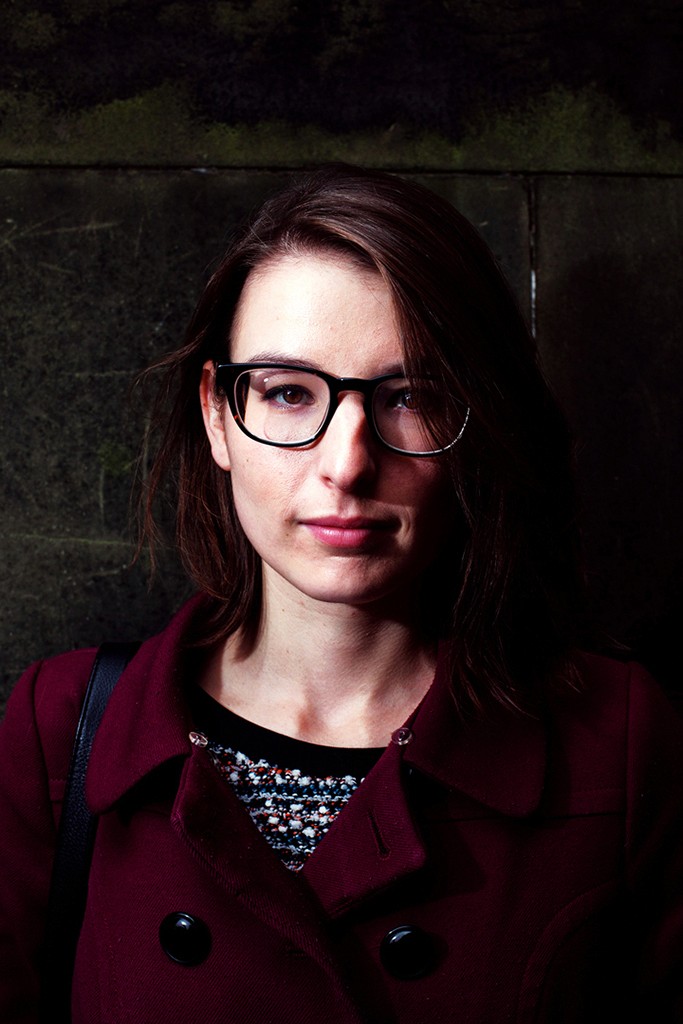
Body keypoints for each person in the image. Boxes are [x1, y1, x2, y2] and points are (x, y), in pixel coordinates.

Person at [1, 164, 682, 1023]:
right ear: (218, 414)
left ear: (478, 425)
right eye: (288, 393)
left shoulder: (617, 741)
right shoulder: (60, 730)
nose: (347, 462)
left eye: (410, 398)